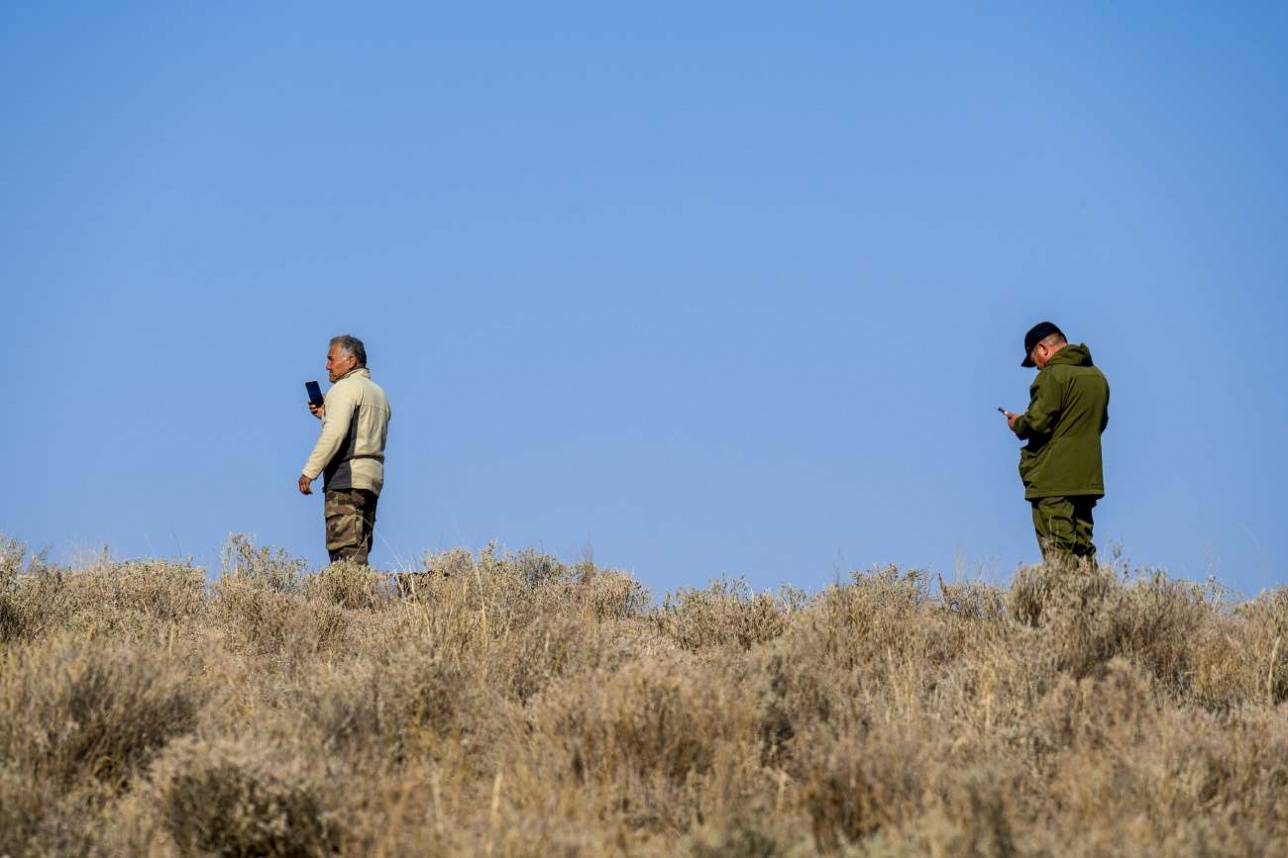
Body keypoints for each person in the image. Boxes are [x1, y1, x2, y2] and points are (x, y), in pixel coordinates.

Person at [1002, 322, 1110, 566]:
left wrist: (1019, 423)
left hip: (1053, 481)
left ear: (1043, 349)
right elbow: (1099, 423)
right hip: (1086, 480)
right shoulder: (1097, 377)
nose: (1037, 367)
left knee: (1058, 554)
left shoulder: (1052, 375)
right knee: (1083, 551)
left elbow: (1038, 422)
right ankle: (1094, 604)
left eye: (1034, 360)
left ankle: (1065, 604)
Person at [298, 335, 392, 565]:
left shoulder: (344, 389)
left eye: (331, 359)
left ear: (350, 361)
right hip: (371, 481)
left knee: (345, 556)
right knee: (360, 550)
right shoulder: (379, 394)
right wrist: (325, 413)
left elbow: (335, 433)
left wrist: (309, 471)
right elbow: (360, 430)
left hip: (346, 480)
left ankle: (355, 601)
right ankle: (369, 600)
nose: (327, 366)